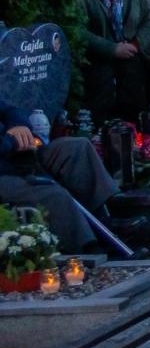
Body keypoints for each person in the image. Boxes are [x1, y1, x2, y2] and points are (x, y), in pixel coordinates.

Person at [1, 101, 117, 253]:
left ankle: (106, 224)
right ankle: (88, 250)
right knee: (53, 194)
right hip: (6, 170)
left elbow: (11, 110)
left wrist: (19, 126)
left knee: (77, 148)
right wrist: (12, 141)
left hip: (17, 156)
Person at [79, 0, 150, 123]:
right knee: (100, 115)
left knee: (132, 114)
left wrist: (136, 44)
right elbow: (77, 30)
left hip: (131, 62)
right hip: (96, 65)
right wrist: (111, 48)